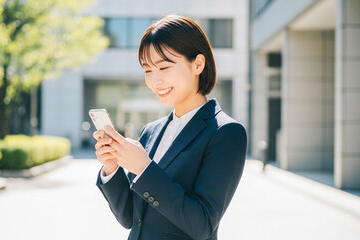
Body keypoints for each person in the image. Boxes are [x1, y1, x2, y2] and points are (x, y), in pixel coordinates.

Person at [93, 15, 247, 240]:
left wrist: (145, 169)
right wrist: (111, 168)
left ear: (198, 64)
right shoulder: (151, 131)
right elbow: (130, 218)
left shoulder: (226, 132)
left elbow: (203, 224)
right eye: (147, 70)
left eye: (164, 67)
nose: (155, 81)